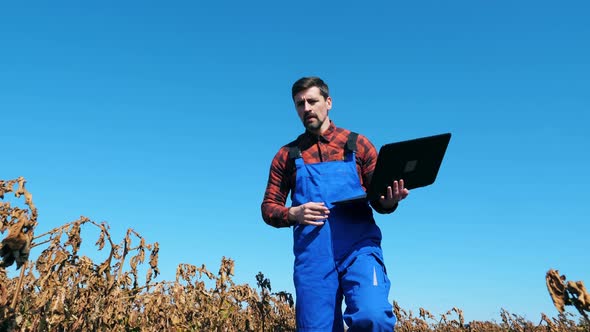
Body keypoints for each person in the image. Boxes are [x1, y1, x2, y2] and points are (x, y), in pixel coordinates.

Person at [261, 77, 409, 331]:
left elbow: (381, 202)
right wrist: (294, 213)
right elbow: (268, 207)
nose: (306, 108)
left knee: (373, 316)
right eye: (299, 104)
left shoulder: (358, 145)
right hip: (313, 257)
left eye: (312, 101)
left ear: (328, 102)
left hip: (359, 249)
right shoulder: (287, 155)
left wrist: (389, 200)